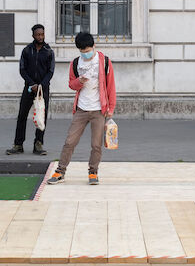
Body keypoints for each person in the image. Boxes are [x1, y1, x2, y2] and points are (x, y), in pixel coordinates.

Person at [47, 32, 116, 186]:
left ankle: (93, 172)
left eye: (87, 51)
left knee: (96, 144)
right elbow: (71, 84)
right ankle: (60, 171)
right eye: (82, 52)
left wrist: (111, 107)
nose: (85, 54)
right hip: (81, 109)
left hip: (99, 110)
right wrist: (80, 81)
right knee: (70, 141)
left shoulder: (104, 62)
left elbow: (111, 86)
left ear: (93, 47)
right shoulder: (75, 63)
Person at [6, 24, 55, 156]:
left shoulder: (49, 51)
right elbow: (22, 69)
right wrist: (31, 84)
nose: (40, 37)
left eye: (42, 34)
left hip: (43, 90)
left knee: (41, 116)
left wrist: (41, 85)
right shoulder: (27, 50)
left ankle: (38, 144)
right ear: (33, 35)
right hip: (28, 88)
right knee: (22, 115)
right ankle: (18, 144)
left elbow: (50, 71)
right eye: (38, 34)